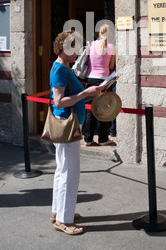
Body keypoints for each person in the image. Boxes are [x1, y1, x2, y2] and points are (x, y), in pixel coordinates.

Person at [50, 30, 103, 235]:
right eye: (74, 48)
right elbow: (60, 101)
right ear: (65, 48)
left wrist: (92, 93)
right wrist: (85, 93)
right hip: (66, 124)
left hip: (68, 123)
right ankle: (64, 220)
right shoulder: (59, 69)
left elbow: (72, 96)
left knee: (63, 170)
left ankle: (59, 212)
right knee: (70, 173)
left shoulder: (64, 68)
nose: (78, 52)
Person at [82, 23, 116, 147]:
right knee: (103, 110)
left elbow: (87, 62)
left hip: (90, 79)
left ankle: (88, 138)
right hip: (104, 81)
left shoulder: (91, 45)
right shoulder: (112, 47)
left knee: (90, 110)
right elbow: (111, 66)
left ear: (99, 33)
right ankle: (103, 138)